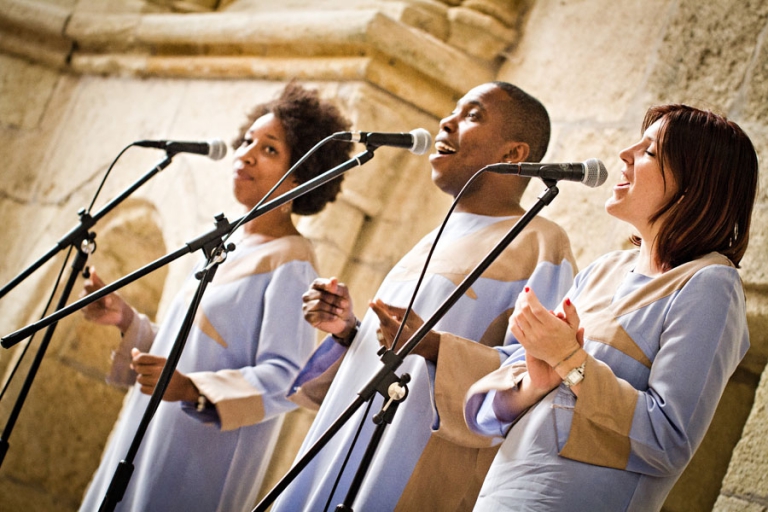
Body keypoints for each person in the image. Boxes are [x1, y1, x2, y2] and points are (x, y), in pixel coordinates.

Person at [271, 82, 577, 512]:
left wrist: (435, 347)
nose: (447, 122)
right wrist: (348, 331)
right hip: (347, 442)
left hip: (416, 463)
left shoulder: (541, 243)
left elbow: (535, 374)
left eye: (472, 115)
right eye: (453, 111)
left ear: (513, 153)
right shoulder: (436, 235)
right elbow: (394, 348)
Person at [464, 104, 758, 511]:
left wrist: (570, 361)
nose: (624, 154)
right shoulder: (604, 270)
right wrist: (535, 383)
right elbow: (486, 415)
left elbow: (669, 440)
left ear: (695, 185)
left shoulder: (710, 284)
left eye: (649, 151)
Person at [78, 82, 352, 512]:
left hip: (198, 458)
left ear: (300, 176)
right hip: (147, 431)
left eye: (269, 149)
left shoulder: (292, 264)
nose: (246, 154)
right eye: (247, 141)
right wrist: (126, 320)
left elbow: (285, 378)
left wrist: (192, 388)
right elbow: (192, 347)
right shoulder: (225, 245)